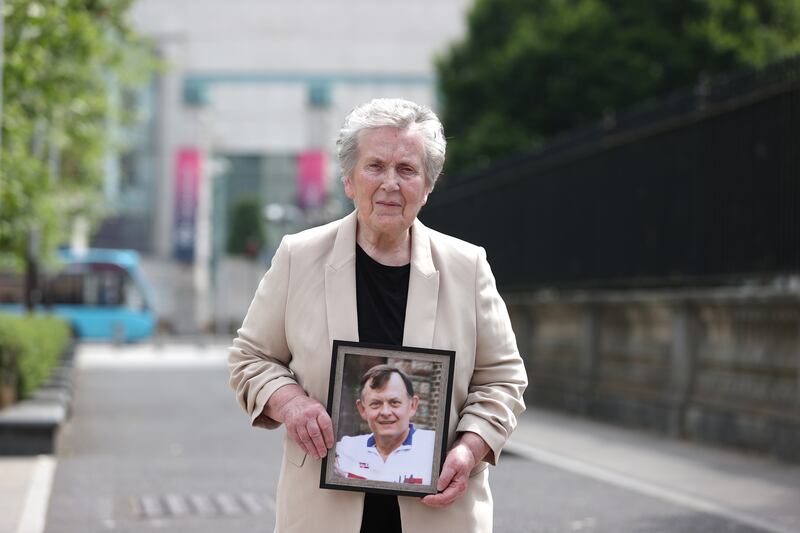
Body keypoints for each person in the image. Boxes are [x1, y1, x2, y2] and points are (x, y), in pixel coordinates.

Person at [229, 98, 527, 533]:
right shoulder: (299, 256)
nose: (390, 183)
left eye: (407, 169)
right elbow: (250, 358)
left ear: (427, 186)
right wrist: (290, 402)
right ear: (349, 180)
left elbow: (502, 378)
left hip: (438, 511)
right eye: (375, 166)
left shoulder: (468, 266)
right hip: (322, 510)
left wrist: (471, 446)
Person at [335, 365, 435, 484]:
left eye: (394, 402)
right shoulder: (345, 449)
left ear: (412, 406)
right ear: (362, 409)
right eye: (376, 404)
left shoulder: (434, 447)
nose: (385, 412)